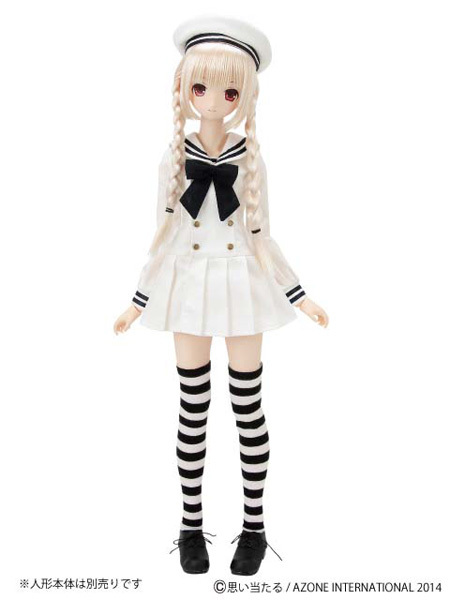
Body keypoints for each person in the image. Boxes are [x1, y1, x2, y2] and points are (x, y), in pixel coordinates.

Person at [113, 15, 329, 576]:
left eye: (229, 92)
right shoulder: (174, 158)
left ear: (244, 97)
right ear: (184, 88)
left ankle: (254, 527)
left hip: (241, 286)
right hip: (188, 285)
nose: (212, 101)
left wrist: (298, 295)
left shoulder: (250, 159)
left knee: (247, 407)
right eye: (201, 87)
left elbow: (263, 235)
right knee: (192, 408)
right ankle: (191, 526)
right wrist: (138, 300)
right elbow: (162, 235)